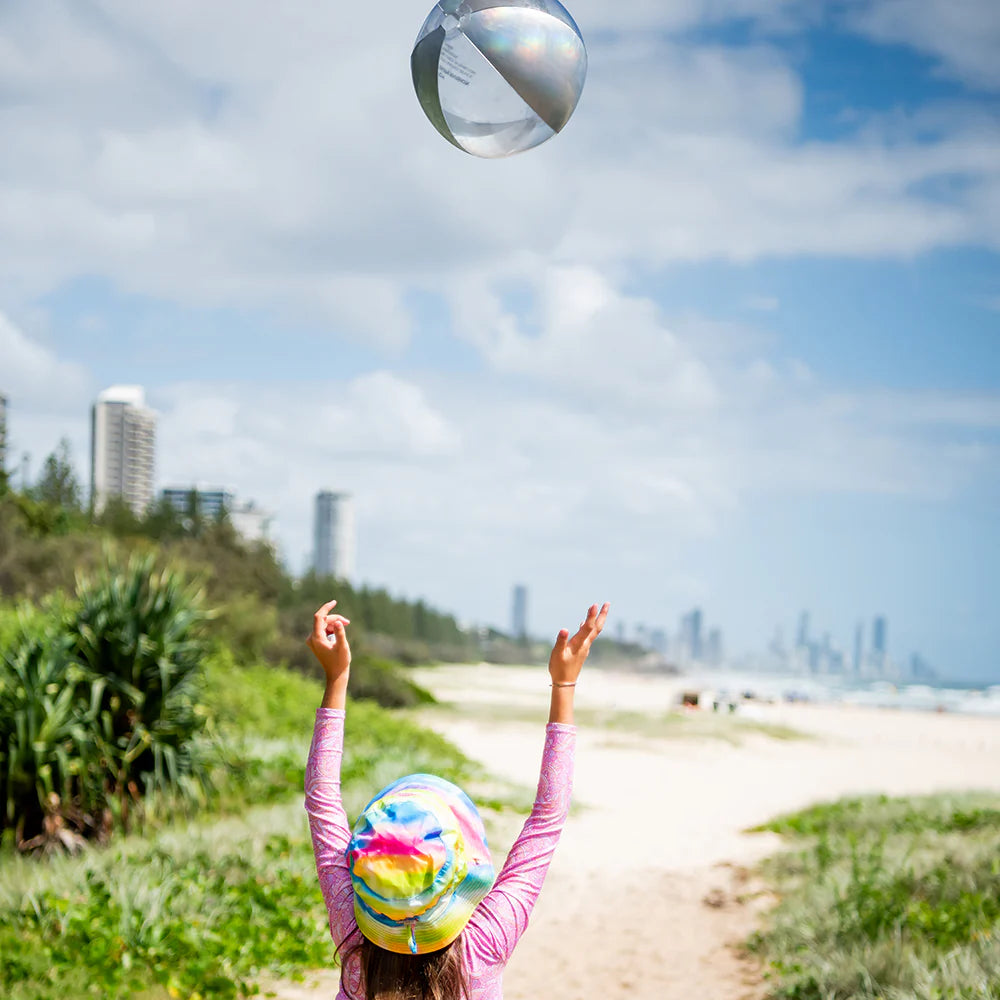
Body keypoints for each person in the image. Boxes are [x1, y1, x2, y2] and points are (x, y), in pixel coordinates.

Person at [304, 599, 610, 1000]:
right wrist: (564, 686)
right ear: (460, 870)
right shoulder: (483, 945)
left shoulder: (354, 938)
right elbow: (547, 818)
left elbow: (321, 797)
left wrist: (337, 677)